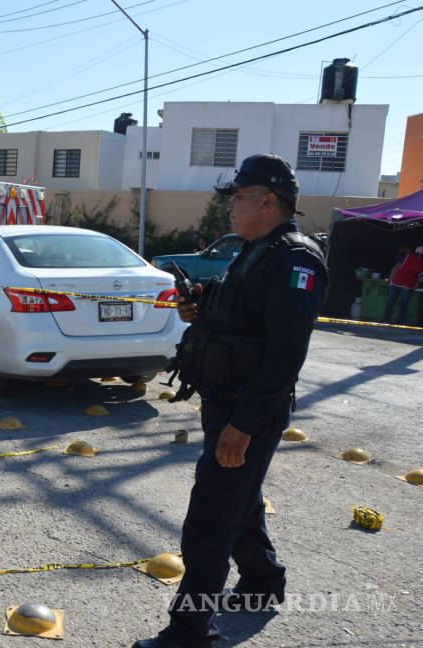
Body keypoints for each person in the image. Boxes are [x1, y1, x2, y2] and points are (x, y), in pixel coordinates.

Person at [135, 154, 328, 648]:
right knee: (238, 505)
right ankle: (262, 585)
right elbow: (242, 315)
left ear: (268, 201)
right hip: (226, 404)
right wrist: (199, 303)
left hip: (247, 412)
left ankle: (190, 632)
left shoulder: (294, 259)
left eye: (239, 197)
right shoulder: (256, 250)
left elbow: (286, 354)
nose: (230, 206)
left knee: (208, 523)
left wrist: (242, 425)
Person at [382, 246, 423, 325]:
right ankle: (399, 323)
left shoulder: (407, 257)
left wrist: (390, 278)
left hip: (396, 281)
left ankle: (386, 321)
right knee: (403, 305)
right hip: (407, 285)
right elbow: (418, 277)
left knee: (390, 302)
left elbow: (396, 267)